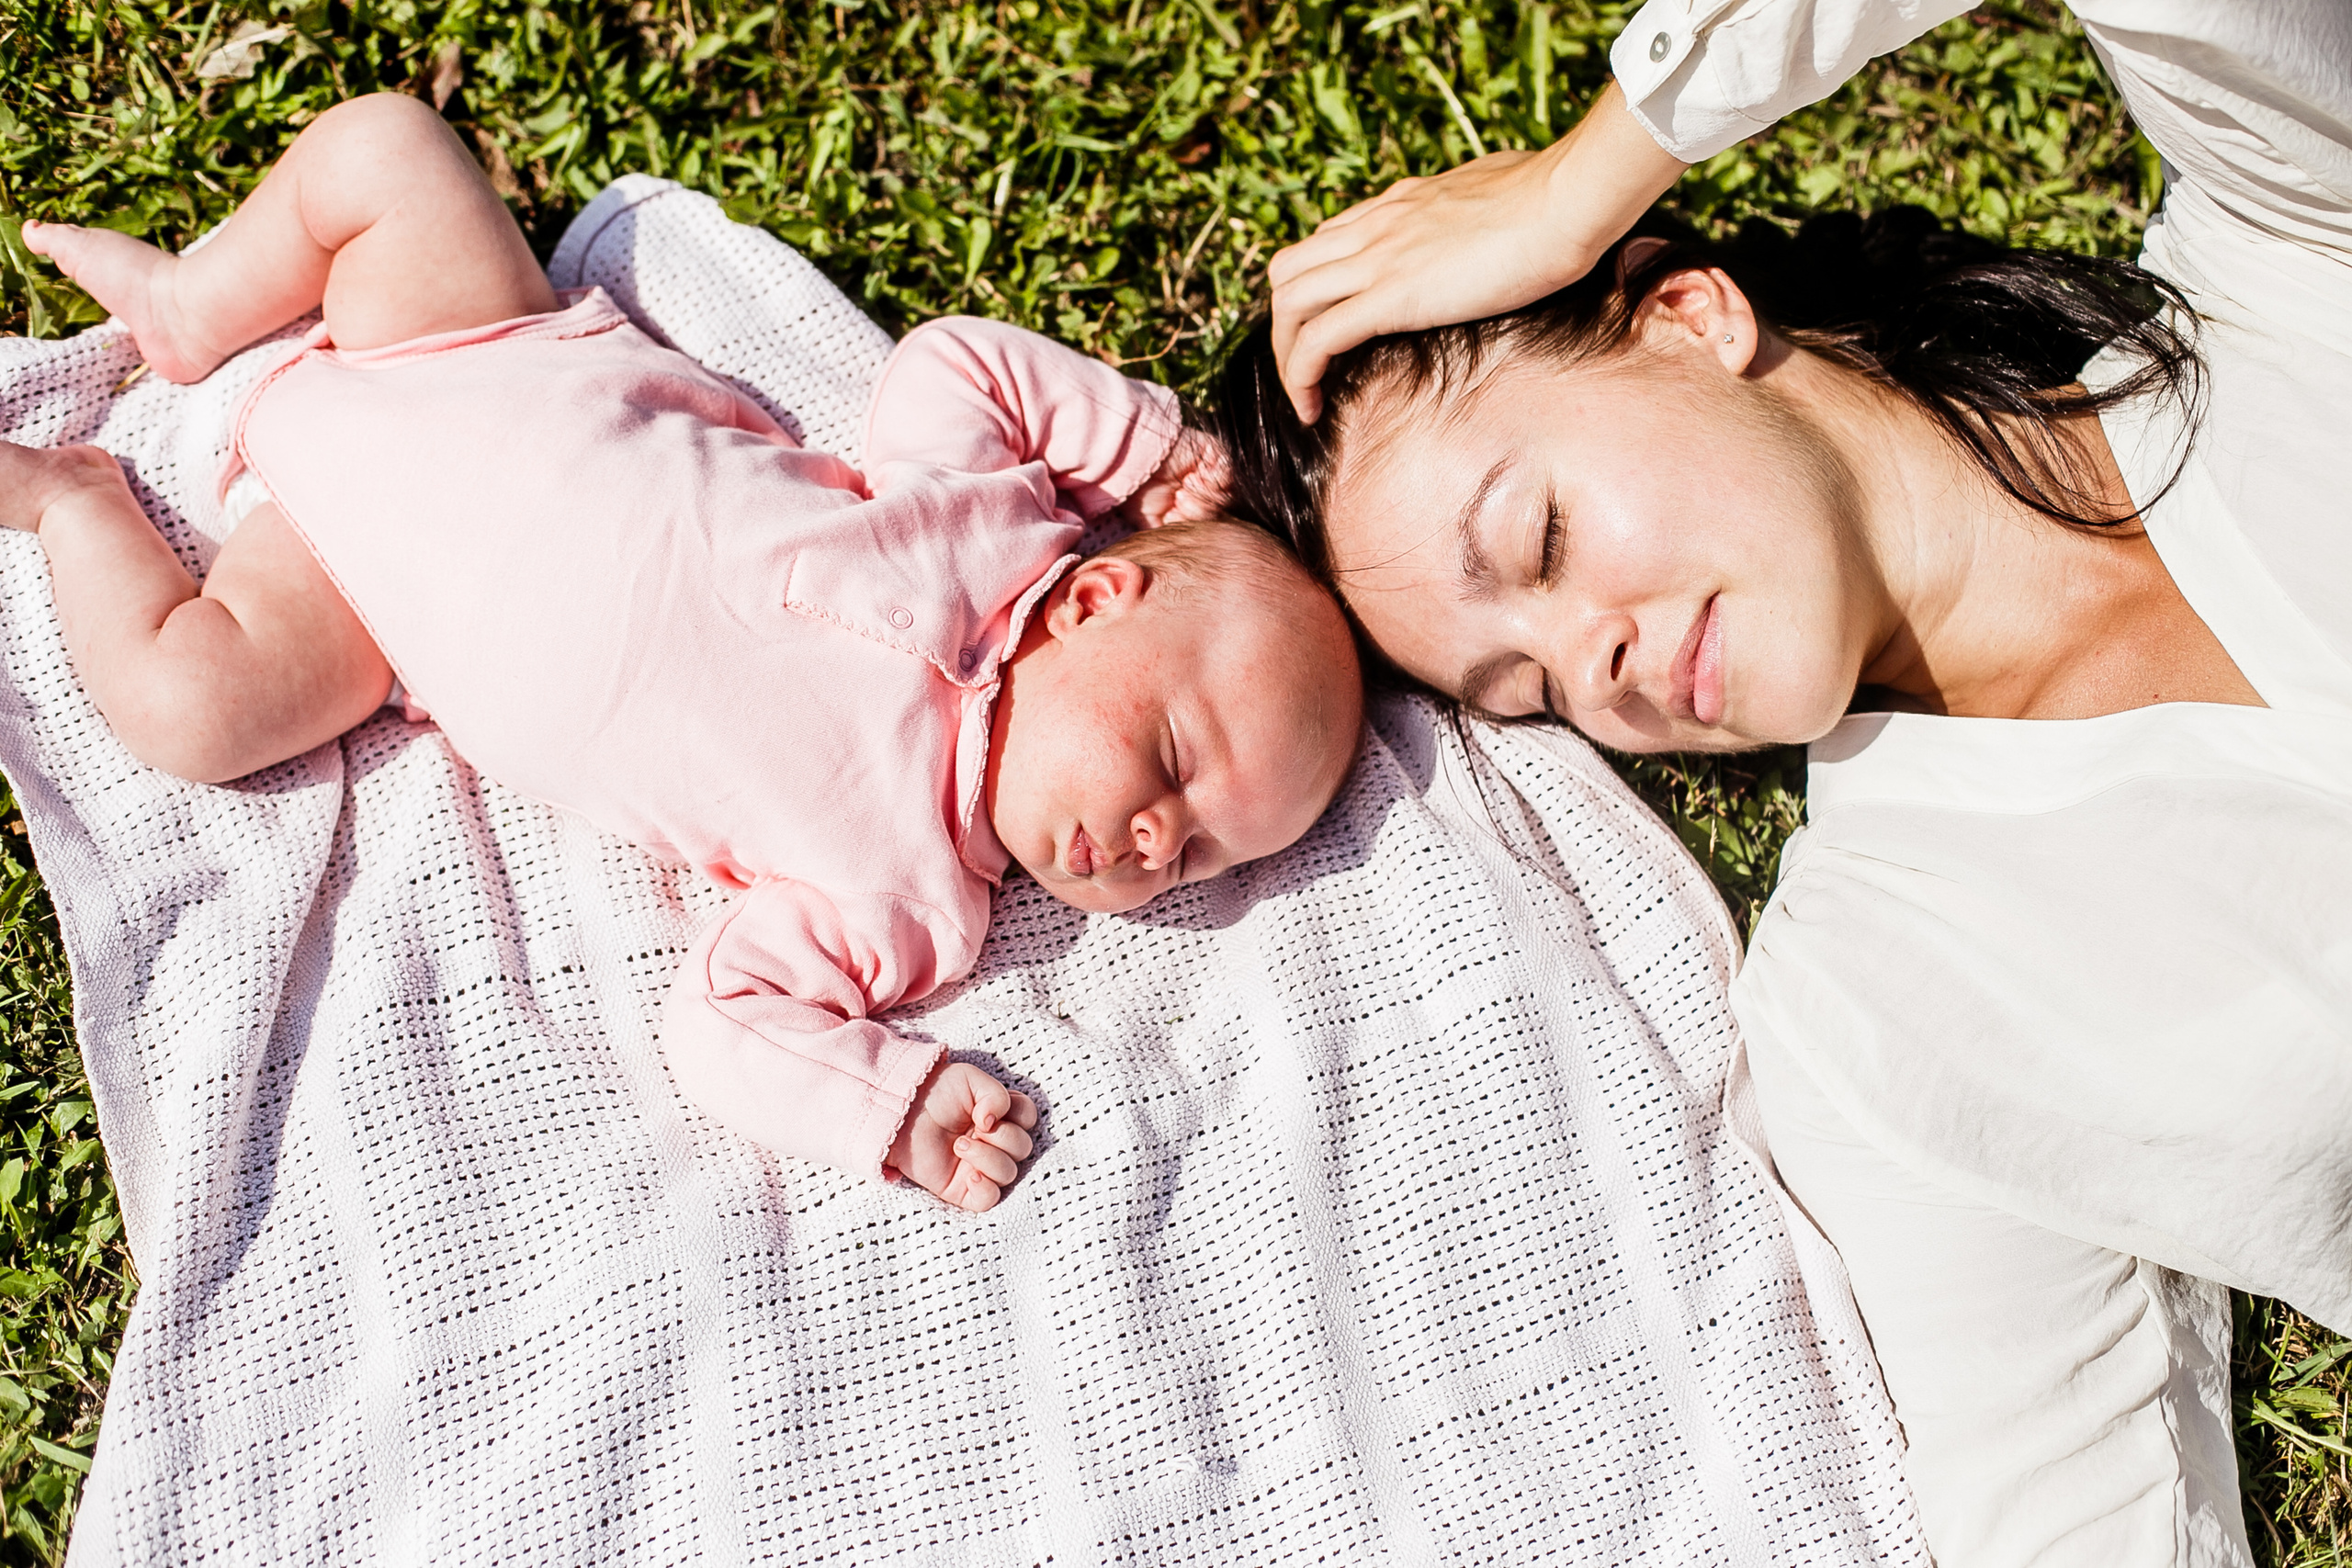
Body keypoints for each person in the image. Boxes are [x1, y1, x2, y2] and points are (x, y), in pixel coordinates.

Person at [1227, 2, 2352, 1563]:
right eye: (1530, 689)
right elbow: (2073, 1505)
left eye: (1541, 542)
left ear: (1686, 313)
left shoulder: (2299, 241)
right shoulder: (1874, 1016)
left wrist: (1599, 163)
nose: (1592, 660)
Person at [6, 94, 1364, 1217]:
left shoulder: (901, 906)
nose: (1148, 839)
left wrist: (892, 1107)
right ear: (1087, 606)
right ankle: (193, 308)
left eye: (1195, 854)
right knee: (388, 150)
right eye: (1171, 765)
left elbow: (726, 1024)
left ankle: (76, 503)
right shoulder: (989, 532)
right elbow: (966, 369)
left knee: (193, 705)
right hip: (475, 347)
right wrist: (1145, 442)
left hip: (356, 595)